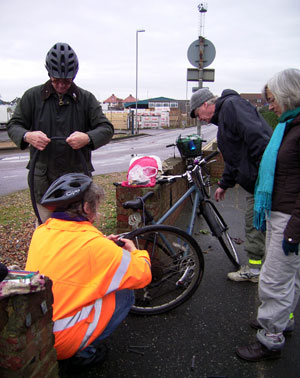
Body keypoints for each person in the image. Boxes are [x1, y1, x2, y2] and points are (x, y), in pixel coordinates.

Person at [25, 173, 152, 369]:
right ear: (86, 208)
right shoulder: (95, 247)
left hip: (37, 330)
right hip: (62, 341)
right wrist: (136, 252)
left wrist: (103, 245)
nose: (98, 213)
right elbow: (143, 275)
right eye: (96, 207)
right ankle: (82, 352)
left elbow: (72, 254)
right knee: (125, 293)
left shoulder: (42, 231)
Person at [7, 42, 114, 223]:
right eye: (56, 80)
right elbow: (14, 125)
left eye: (67, 80)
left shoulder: (85, 99)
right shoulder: (33, 97)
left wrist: (87, 138)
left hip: (78, 182)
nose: (62, 85)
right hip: (43, 182)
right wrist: (28, 136)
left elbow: (106, 128)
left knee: (79, 234)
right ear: (49, 74)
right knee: (47, 232)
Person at [236, 68, 300, 361]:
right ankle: (282, 321)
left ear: (288, 95)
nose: (269, 106)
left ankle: (270, 338)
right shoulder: (289, 125)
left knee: (274, 279)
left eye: (272, 99)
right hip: (280, 212)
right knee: (288, 276)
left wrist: (295, 228)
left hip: (290, 217)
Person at [190, 87, 272, 282]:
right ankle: (268, 269)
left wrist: (265, 177)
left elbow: (259, 139)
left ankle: (256, 271)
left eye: (197, 114)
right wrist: (224, 184)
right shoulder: (226, 117)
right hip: (260, 181)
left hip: (264, 182)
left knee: (256, 224)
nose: (200, 119)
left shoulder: (231, 107)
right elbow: (234, 159)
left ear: (205, 104)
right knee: (265, 225)